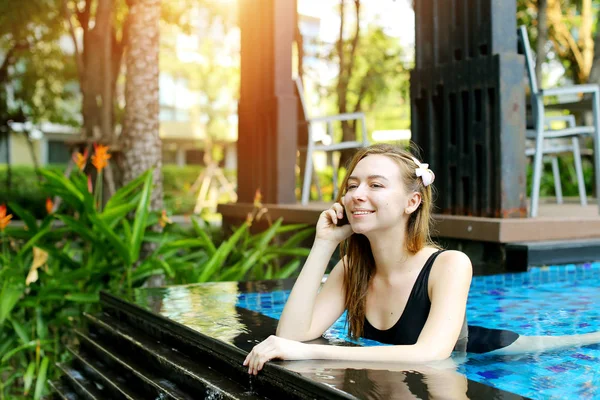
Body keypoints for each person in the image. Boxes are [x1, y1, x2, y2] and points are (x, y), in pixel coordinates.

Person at [243, 143, 600, 376]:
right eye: (352, 185)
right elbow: (290, 335)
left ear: (411, 202)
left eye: (375, 185)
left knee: (576, 342)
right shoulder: (353, 268)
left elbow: (428, 354)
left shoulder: (450, 265)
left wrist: (310, 354)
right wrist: (323, 243)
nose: (357, 195)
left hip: (490, 353)